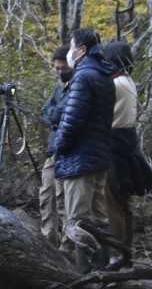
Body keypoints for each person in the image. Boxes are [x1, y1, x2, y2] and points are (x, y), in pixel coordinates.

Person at [50, 29, 117, 272]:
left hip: (80, 157)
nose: (69, 52)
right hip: (99, 155)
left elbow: (72, 120)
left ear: (82, 50)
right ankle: (103, 269)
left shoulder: (83, 76)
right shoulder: (105, 74)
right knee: (99, 217)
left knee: (77, 219)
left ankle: (84, 273)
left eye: (71, 47)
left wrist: (59, 146)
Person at [100, 40, 152, 268]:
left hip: (114, 147)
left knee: (113, 203)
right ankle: (125, 253)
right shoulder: (127, 81)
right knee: (122, 204)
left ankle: (117, 254)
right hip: (125, 145)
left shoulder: (115, 84)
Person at [37, 48, 72, 250]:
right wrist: (54, 116)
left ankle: (67, 247)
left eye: (63, 68)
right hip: (53, 149)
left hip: (66, 151)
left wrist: (54, 115)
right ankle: (48, 243)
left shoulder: (78, 86)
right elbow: (46, 112)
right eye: (56, 68)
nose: (59, 71)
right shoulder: (59, 88)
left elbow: (60, 114)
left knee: (63, 200)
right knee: (46, 196)